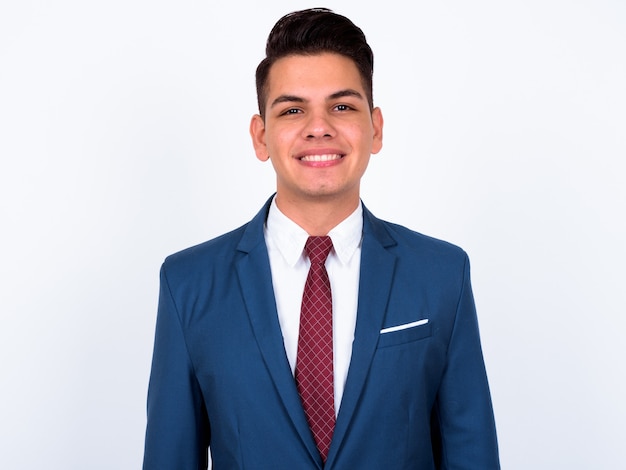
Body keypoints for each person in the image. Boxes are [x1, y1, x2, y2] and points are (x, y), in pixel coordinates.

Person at [142, 7, 500, 469]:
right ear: (261, 136)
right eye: (293, 110)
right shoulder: (188, 283)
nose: (319, 127)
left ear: (376, 128)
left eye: (342, 106)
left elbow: (472, 454)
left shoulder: (441, 274)